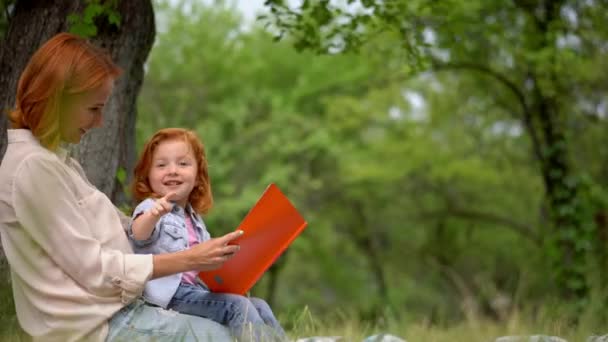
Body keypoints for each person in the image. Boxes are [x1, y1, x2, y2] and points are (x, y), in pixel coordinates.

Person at [0, 32, 243, 341]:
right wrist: (191, 258)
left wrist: (164, 224)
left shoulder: (56, 163)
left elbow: (119, 230)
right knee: (226, 336)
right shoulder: (33, 169)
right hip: (98, 327)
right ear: (57, 98)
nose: (100, 121)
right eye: (93, 109)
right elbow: (94, 269)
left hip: (119, 312)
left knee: (240, 319)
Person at [128, 128, 286, 341]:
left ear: (197, 177)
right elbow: (138, 234)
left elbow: (207, 264)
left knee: (259, 304)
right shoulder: (151, 207)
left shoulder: (194, 219)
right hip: (170, 295)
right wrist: (153, 215)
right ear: (147, 175)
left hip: (195, 291)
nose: (172, 170)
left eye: (183, 164)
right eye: (161, 165)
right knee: (236, 306)